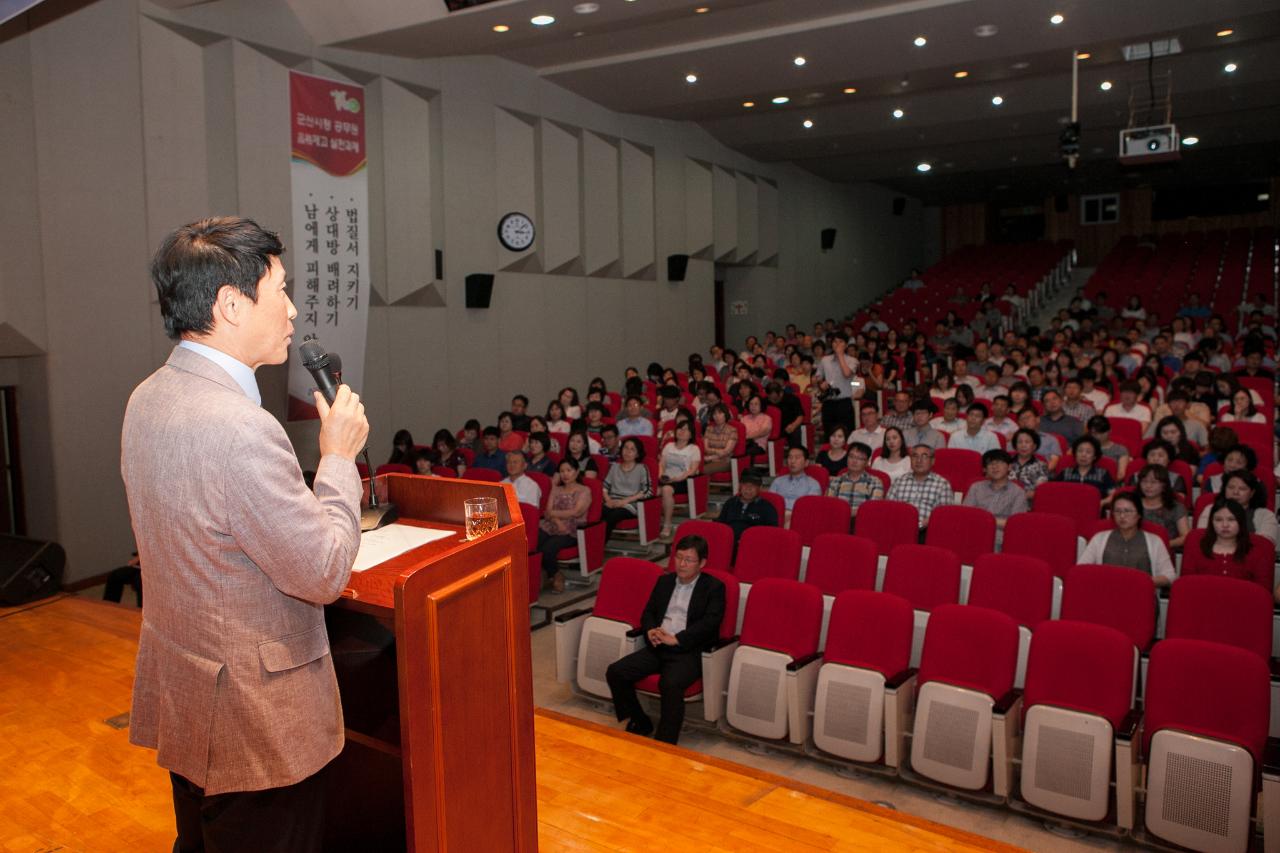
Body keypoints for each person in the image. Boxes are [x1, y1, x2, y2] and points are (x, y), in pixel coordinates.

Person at [123, 217, 368, 852]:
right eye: (280, 290)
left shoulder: (147, 398)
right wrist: (338, 458)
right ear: (231, 304)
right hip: (257, 719)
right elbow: (323, 571)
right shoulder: (240, 426)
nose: (291, 310)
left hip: (190, 693)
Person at [606, 535, 726, 745]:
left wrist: (677, 639)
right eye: (679, 557)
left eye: (689, 560)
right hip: (659, 645)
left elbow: (710, 623)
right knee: (616, 672)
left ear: (702, 563)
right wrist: (651, 630)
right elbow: (649, 612)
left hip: (689, 650)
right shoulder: (665, 581)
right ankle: (640, 720)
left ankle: (665, 743)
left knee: (669, 683)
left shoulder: (714, 587)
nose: (682, 564)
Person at [1078, 492, 1175, 587]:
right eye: (1117, 511)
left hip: (1141, 594)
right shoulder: (1099, 539)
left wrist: (1143, 581)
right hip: (1107, 592)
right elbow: (1081, 569)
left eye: (1127, 511)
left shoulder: (1155, 542)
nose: (1122, 516)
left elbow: (1170, 576)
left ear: (1139, 514)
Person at [1182, 498, 1273, 591]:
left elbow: (1262, 593)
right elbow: (1187, 586)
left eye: (1231, 519)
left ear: (1241, 522)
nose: (1225, 525)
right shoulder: (1197, 547)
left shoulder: (1258, 551)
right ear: (1211, 522)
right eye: (1218, 520)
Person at [537, 458, 592, 593]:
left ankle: (556, 575)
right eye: (562, 471)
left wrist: (554, 515)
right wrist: (556, 521)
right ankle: (546, 574)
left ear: (577, 472)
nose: (565, 474)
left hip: (572, 529)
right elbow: (547, 511)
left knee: (547, 549)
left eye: (569, 470)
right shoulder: (556, 489)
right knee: (533, 542)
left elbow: (576, 512)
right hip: (552, 524)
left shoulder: (584, 490)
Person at [1195, 470, 1279, 544]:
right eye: (1231, 487)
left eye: (1242, 488)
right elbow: (1203, 538)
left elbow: (1265, 546)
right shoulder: (1210, 509)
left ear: (1252, 493)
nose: (1235, 492)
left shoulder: (1266, 515)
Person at [885, 445, 955, 530]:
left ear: (932, 461)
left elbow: (944, 516)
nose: (919, 460)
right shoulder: (899, 481)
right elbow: (888, 509)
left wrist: (923, 524)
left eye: (924, 456)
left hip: (928, 531)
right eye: (915, 456)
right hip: (898, 528)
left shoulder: (942, 485)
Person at [963, 449, 1029, 536]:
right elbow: (965, 515)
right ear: (984, 470)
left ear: (1009, 467)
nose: (995, 467)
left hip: (1000, 536)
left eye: (1000, 462)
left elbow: (1016, 524)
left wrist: (986, 519)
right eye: (990, 463)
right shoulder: (976, 488)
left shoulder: (1018, 492)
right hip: (974, 531)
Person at [715, 470, 778, 556]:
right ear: (740, 486)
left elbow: (772, 534)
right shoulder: (730, 503)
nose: (748, 489)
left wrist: (750, 541)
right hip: (728, 546)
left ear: (760, 488)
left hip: (754, 549)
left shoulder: (767, 508)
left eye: (753, 486)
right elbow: (720, 526)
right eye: (745, 485)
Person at [601, 438, 653, 540]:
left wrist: (625, 501)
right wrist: (608, 500)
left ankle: (599, 545)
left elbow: (647, 491)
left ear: (637, 454)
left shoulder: (642, 468)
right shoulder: (614, 467)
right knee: (598, 513)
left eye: (632, 449)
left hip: (630, 504)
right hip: (613, 501)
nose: (628, 452)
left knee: (613, 516)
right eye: (625, 448)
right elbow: (604, 487)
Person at [658, 421, 702, 540]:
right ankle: (651, 524)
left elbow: (693, 470)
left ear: (691, 434)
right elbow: (661, 464)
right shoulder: (668, 446)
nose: (682, 431)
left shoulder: (694, 449)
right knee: (653, 490)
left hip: (684, 480)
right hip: (666, 478)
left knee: (666, 490)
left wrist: (678, 478)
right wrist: (661, 475)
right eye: (680, 428)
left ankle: (667, 525)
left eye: (686, 429)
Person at [814, 334, 861, 438]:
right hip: (828, 402)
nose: (837, 344)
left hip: (844, 403)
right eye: (835, 341)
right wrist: (821, 384)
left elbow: (847, 374)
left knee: (846, 434)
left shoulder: (853, 360)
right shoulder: (825, 360)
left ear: (846, 345)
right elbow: (818, 377)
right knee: (829, 434)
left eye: (841, 342)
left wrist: (840, 355)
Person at [1135, 464, 1189, 549]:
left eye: (1153, 482)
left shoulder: (1176, 507)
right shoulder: (1133, 505)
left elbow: (1186, 537)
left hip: (1165, 551)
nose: (1148, 486)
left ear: (1164, 485)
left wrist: (1163, 545)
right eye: (1144, 481)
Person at [826, 442, 883, 518]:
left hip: (863, 522)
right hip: (837, 520)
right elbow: (828, 505)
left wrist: (847, 513)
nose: (854, 461)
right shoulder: (835, 481)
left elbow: (873, 509)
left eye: (860, 458)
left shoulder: (875, 482)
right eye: (851, 456)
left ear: (867, 462)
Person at [1056, 435, 1117, 505]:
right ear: (1075, 454)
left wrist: (1101, 503)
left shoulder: (1103, 474)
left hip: (1094, 509)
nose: (1083, 455)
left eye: (1088, 452)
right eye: (1080, 451)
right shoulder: (1065, 472)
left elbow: (1114, 494)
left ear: (1094, 456)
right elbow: (1054, 491)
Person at [770, 446, 822, 522]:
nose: (792, 461)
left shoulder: (813, 485)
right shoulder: (778, 481)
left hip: (799, 519)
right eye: (790, 457)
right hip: (775, 517)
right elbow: (770, 502)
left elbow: (810, 508)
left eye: (797, 458)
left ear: (806, 463)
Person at [1086, 415, 1131, 481]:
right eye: (1094, 433)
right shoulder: (1083, 447)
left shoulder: (1120, 450)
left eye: (1101, 433)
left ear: (1109, 431)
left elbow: (1121, 475)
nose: (1098, 436)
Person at [1009, 428, 1050, 499]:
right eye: (1020, 442)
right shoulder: (1006, 463)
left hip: (1027, 503)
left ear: (1034, 446)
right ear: (1015, 446)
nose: (1023, 445)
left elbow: (1039, 490)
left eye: (1027, 442)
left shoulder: (1041, 465)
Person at [766, 381, 806, 449]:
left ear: (781, 393)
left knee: (796, 432)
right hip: (772, 428)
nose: (772, 401)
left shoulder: (792, 399)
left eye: (775, 399)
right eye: (770, 398)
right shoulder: (766, 401)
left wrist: (793, 425)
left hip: (789, 426)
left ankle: (795, 452)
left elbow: (800, 416)